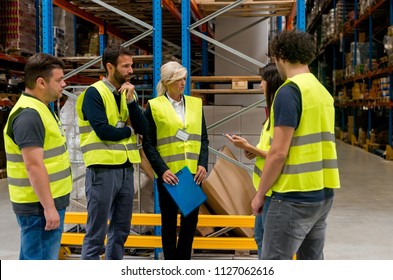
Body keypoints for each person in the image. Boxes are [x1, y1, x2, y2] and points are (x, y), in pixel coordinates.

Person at [251, 30, 341, 260]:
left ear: (281, 56)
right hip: (322, 195)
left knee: (273, 263)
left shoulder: (289, 91)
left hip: (293, 196)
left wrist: (260, 194)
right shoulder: (322, 92)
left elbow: (278, 153)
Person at [76, 45, 147, 260]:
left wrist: (131, 104)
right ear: (110, 67)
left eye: (132, 65)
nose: (131, 70)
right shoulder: (94, 93)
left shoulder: (126, 95)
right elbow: (104, 131)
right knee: (96, 232)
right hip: (102, 171)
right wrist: (128, 130)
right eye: (126, 66)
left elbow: (144, 129)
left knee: (121, 229)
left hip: (125, 169)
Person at [3, 53, 72, 260]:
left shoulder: (40, 109)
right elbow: (33, 166)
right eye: (59, 80)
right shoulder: (29, 115)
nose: (64, 84)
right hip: (39, 207)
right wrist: (49, 208)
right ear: (41, 82)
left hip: (43, 203)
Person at [142, 61, 209, 260]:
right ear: (168, 81)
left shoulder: (196, 104)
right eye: (179, 79)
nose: (183, 83)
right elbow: (148, 144)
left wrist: (203, 164)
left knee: (190, 225)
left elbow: (203, 138)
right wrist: (162, 171)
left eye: (184, 78)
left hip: (192, 175)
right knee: (169, 225)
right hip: (169, 176)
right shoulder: (154, 107)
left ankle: (183, 265)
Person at [225, 63, 283, 259]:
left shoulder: (279, 114)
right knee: (259, 238)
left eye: (263, 81)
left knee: (268, 244)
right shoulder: (271, 113)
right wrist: (253, 151)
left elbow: (279, 156)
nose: (260, 85)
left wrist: (248, 148)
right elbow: (268, 150)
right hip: (263, 188)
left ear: (272, 83)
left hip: (273, 191)